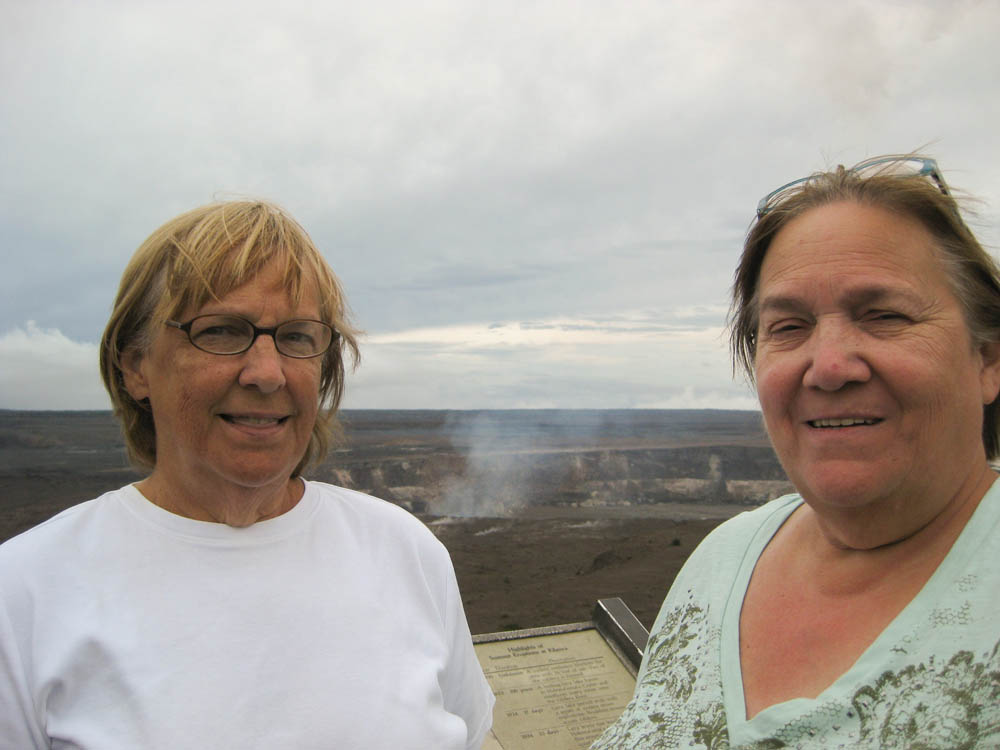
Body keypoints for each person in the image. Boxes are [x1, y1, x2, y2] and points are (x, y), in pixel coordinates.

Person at [0, 200, 494, 749]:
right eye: (221, 331)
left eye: (298, 337)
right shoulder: (24, 596)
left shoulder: (406, 553)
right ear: (135, 364)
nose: (266, 373)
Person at [592, 154, 1000, 748]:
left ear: (987, 358)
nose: (829, 367)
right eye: (788, 327)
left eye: (884, 315)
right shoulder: (720, 562)